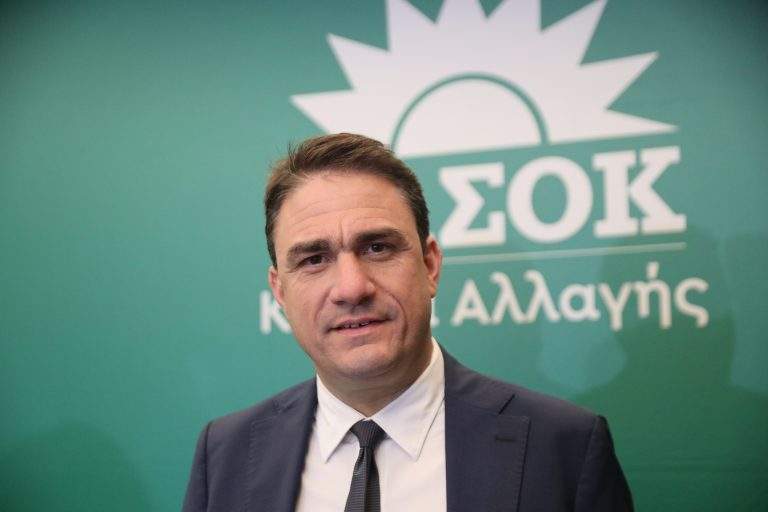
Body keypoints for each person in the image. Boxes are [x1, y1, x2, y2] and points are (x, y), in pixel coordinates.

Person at [181, 133, 633, 512]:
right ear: (280, 291)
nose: (351, 288)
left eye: (377, 248)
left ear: (430, 265)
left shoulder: (564, 447)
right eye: (314, 259)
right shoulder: (223, 456)